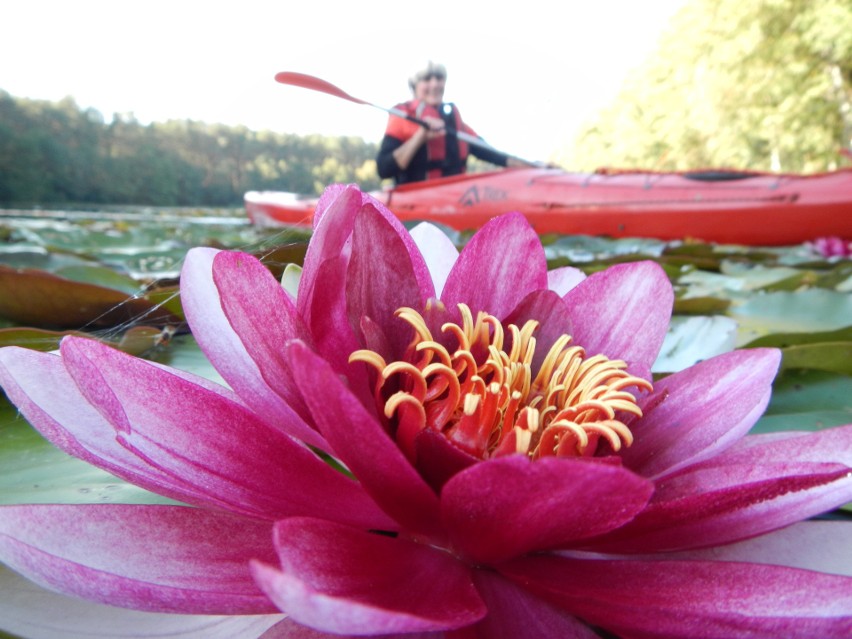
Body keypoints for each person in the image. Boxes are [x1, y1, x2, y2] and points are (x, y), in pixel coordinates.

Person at [375, 62, 533, 185]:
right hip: (414, 206)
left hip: (453, 202)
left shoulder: (456, 124)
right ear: (415, 86)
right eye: (427, 79)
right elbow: (384, 169)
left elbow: (498, 157)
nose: (435, 84)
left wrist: (536, 167)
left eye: (439, 78)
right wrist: (420, 136)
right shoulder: (402, 118)